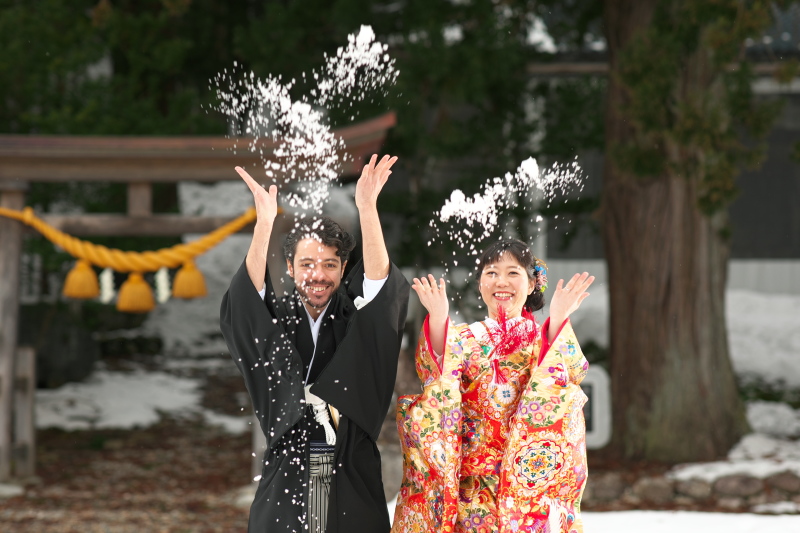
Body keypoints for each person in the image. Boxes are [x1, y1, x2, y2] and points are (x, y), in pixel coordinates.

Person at [220, 154, 410, 533]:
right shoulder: (279, 320)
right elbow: (245, 304)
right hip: (287, 460)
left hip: (350, 462)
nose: (317, 274)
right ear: (289, 268)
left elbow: (381, 294)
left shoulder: (354, 316)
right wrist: (264, 223)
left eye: (329, 264)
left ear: (343, 269)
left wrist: (367, 208)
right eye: (306, 264)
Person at [392, 239, 594, 533]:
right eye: (491, 273)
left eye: (513, 273)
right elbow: (437, 379)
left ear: (532, 283)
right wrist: (437, 318)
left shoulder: (543, 338)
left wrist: (560, 317)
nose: (501, 281)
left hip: (530, 484)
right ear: (479, 284)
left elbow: (564, 380)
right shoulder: (462, 338)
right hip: (470, 488)